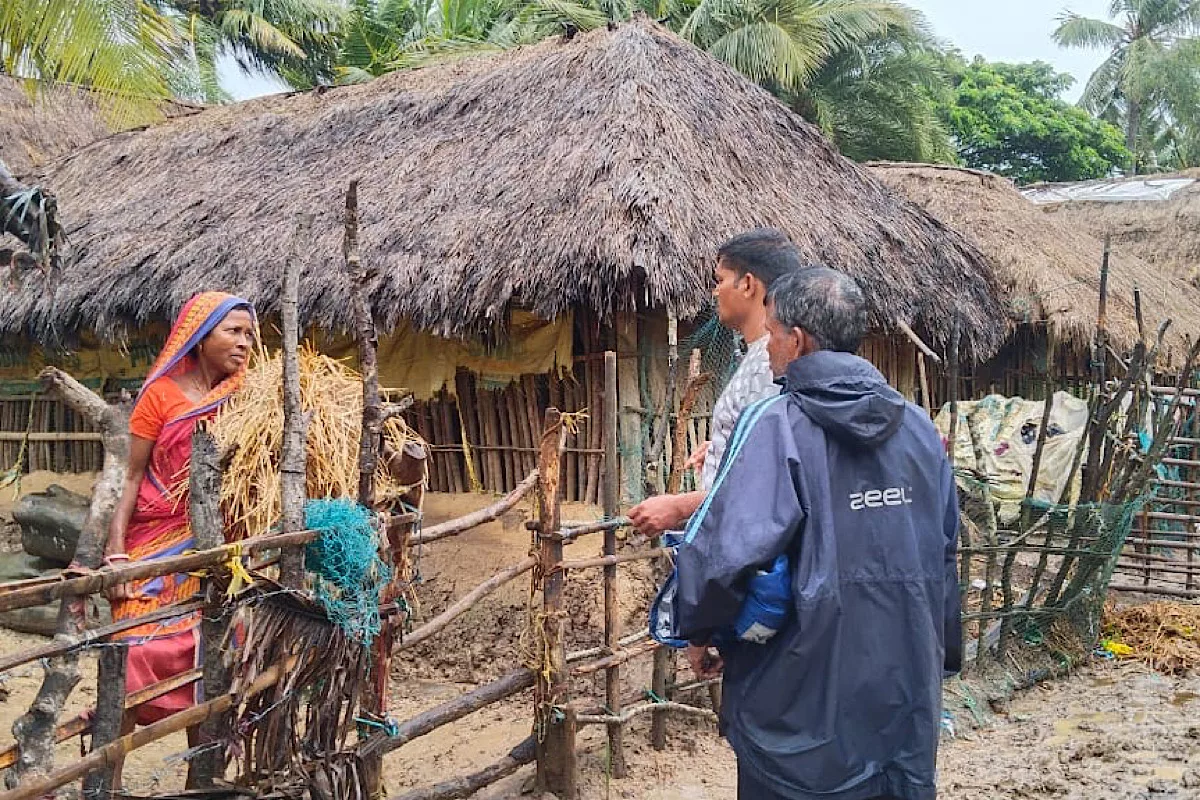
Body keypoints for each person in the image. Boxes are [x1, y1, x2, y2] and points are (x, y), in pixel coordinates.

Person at [673, 267, 962, 800]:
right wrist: (939, 653)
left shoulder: (775, 425)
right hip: (901, 694)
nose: (769, 346)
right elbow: (945, 556)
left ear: (798, 340)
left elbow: (724, 556)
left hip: (796, 703)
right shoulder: (920, 430)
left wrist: (700, 633)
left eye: (774, 333)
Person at [104, 292, 256, 787]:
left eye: (249, 333)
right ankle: (103, 781)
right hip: (152, 545)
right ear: (200, 335)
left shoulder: (250, 396)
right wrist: (116, 552)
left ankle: (201, 781)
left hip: (214, 552)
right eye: (233, 331)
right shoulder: (161, 396)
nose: (244, 341)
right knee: (131, 657)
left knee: (209, 658)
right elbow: (130, 478)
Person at [627, 227, 801, 536]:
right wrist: (724, 445)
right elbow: (763, 447)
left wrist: (679, 506)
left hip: (749, 549)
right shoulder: (761, 357)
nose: (714, 292)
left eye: (720, 280)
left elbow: (765, 483)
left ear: (748, 284)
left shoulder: (770, 364)